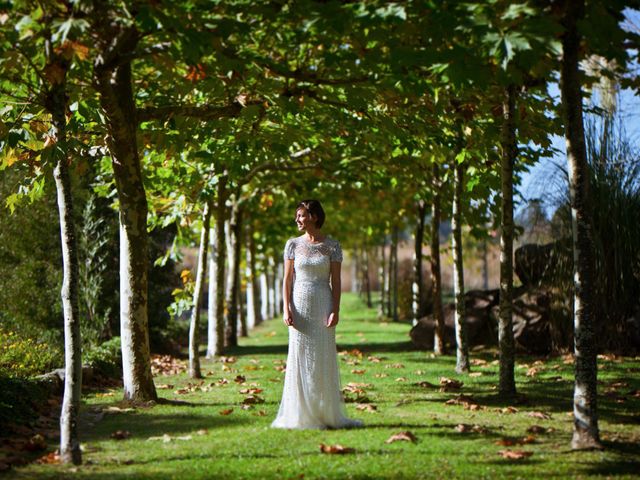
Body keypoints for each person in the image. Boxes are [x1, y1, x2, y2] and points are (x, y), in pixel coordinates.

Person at [271, 199, 363, 429]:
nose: (297, 220)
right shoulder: (292, 245)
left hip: (323, 302)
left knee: (321, 356)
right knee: (299, 354)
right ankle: (300, 413)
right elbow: (287, 279)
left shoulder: (332, 246)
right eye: (297, 216)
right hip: (299, 304)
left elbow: (337, 280)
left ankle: (324, 412)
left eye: (301, 215)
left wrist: (336, 309)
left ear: (314, 216)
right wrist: (286, 307)